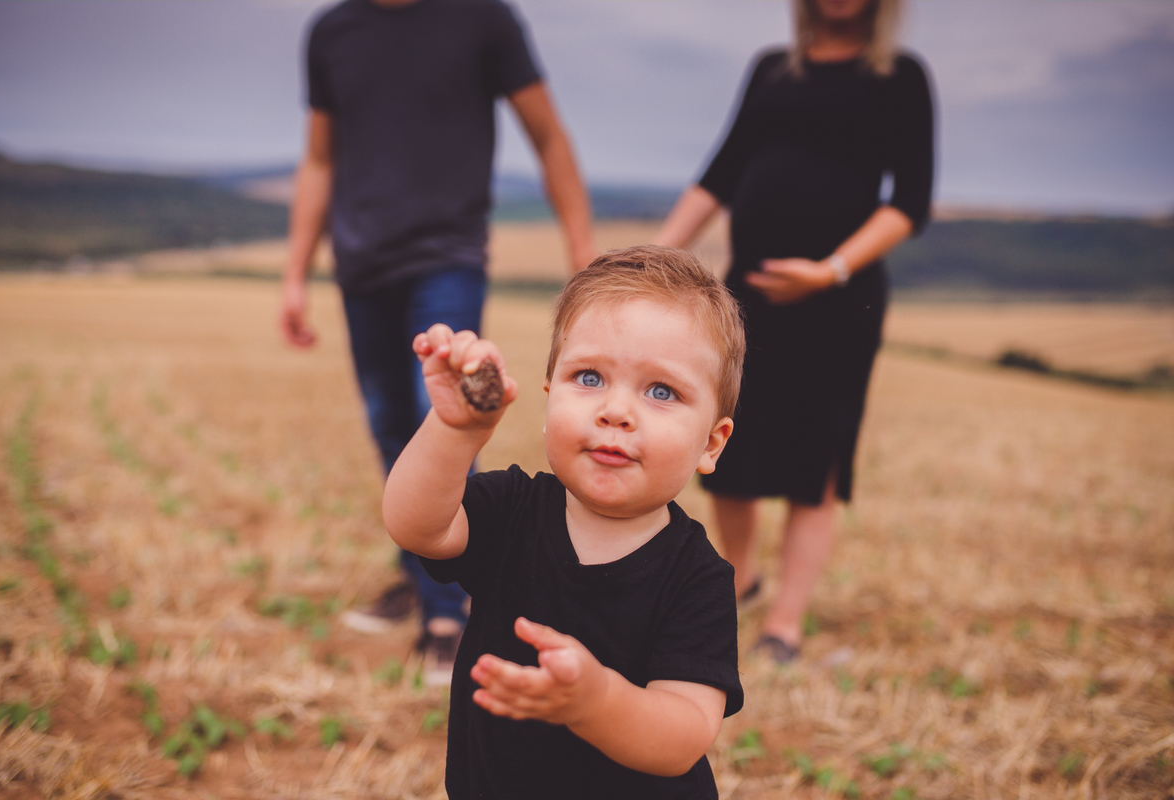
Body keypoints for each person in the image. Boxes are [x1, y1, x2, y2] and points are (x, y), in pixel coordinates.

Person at [280, 0, 595, 684]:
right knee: (390, 426)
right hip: (360, 267)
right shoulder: (332, 32)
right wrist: (295, 271)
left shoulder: (484, 19)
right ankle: (425, 570)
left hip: (446, 260)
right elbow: (318, 160)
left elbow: (548, 136)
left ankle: (448, 612)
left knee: (447, 421)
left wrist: (583, 258)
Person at [382, 246, 745, 798]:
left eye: (661, 391)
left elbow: (685, 737)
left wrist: (596, 702)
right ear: (551, 394)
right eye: (590, 378)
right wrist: (456, 432)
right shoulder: (512, 509)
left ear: (711, 443)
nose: (616, 411)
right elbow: (417, 527)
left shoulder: (697, 577)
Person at [654, 0, 933, 663]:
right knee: (730, 452)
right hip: (747, 296)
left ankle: (785, 622)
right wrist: (654, 258)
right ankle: (738, 581)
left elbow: (910, 202)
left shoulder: (900, 77)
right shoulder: (773, 70)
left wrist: (829, 270)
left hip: (840, 303)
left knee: (818, 461)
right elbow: (720, 174)